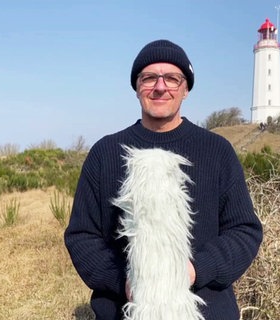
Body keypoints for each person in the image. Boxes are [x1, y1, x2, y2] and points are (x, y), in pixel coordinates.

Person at [64, 39, 263, 320]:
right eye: (149, 78)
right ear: (136, 88)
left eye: (171, 78)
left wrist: (195, 270)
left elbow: (244, 230)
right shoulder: (104, 153)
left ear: (185, 89)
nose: (160, 87)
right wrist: (126, 282)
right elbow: (82, 236)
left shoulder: (217, 151)